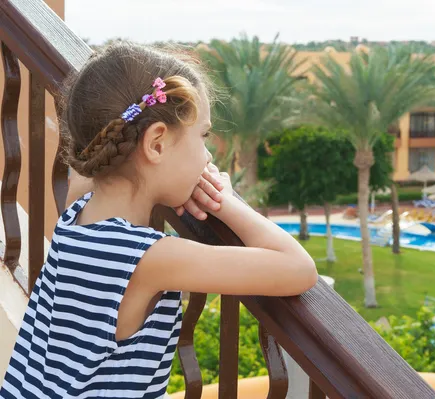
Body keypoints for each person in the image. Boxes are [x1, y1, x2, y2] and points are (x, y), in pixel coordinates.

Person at [0, 43, 317, 399]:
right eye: (203, 136)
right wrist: (225, 203)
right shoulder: (148, 259)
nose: (208, 155)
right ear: (157, 144)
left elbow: (100, 164)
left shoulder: (77, 212)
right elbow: (299, 269)